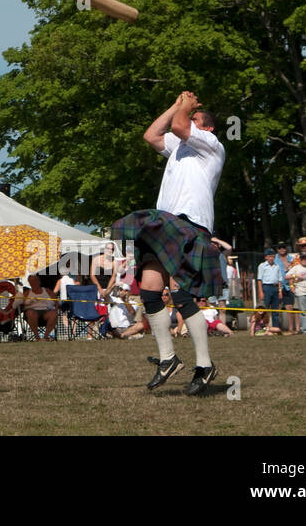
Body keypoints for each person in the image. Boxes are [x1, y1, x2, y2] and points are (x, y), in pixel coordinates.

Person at [112, 90, 226, 395]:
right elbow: (151, 135)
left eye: (194, 117)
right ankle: (168, 359)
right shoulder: (179, 147)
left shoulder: (212, 146)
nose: (187, 118)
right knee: (149, 290)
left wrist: (185, 108)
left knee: (180, 294)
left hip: (190, 223)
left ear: (208, 128)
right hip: (164, 223)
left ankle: (204, 364)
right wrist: (177, 105)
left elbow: (179, 126)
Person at [19, 274, 58, 340]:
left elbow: (56, 303)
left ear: (39, 281)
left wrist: (55, 309)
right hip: (32, 312)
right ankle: (37, 337)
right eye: (31, 281)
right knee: (30, 313)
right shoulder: (27, 293)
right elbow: (21, 304)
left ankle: (45, 337)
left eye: (35, 281)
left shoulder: (47, 291)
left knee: (54, 314)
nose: (33, 283)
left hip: (46, 311)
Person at [256, 248, 284, 331]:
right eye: (270, 256)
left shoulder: (277, 266)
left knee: (275, 310)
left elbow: (279, 279)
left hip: (275, 287)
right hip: (266, 287)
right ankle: (263, 327)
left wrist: (280, 291)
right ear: (266, 257)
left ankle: (276, 328)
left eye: (273, 256)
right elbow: (259, 280)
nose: (271, 258)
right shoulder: (262, 266)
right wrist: (261, 292)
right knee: (264, 309)